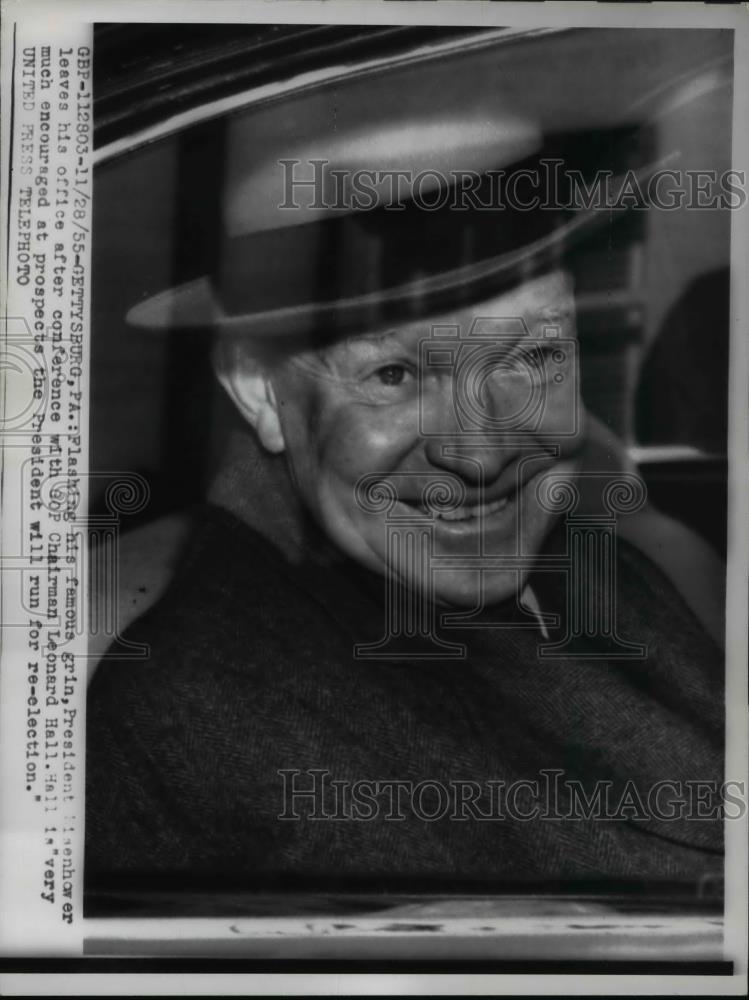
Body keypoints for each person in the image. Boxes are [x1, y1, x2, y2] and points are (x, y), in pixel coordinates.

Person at [85, 61, 724, 894]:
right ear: (255, 387)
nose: (481, 452)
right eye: (393, 376)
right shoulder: (217, 725)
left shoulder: (596, 569)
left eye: (532, 355)